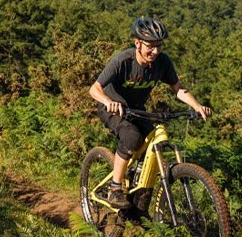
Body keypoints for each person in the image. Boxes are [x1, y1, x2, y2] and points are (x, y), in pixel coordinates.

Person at [89, 17, 211, 209]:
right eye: (150, 46)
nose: (155, 51)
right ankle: (115, 188)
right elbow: (94, 88)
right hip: (112, 107)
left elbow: (178, 89)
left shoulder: (163, 62)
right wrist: (108, 101)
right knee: (131, 137)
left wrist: (196, 106)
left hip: (137, 110)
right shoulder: (123, 61)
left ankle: (137, 198)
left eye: (159, 46)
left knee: (152, 143)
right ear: (137, 43)